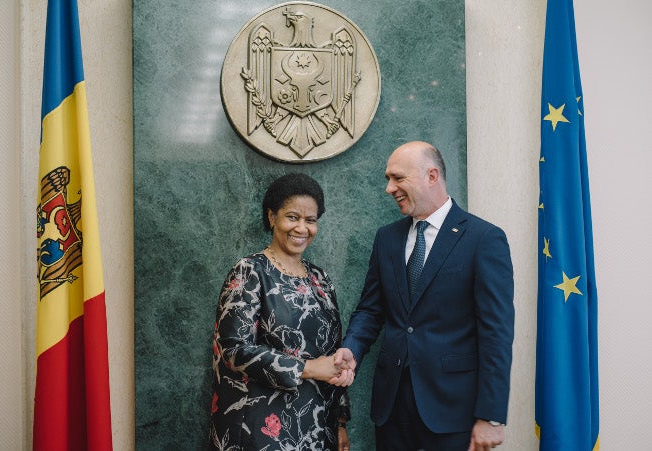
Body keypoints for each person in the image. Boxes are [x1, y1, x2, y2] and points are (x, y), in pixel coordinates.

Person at [332, 141, 515, 451]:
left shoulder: (484, 239)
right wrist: (352, 349)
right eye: (387, 178)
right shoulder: (386, 238)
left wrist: (491, 417)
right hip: (391, 411)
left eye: (398, 178)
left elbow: (496, 333)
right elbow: (370, 311)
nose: (389, 188)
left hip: (453, 412)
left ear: (432, 175)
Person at [209, 173, 354, 451]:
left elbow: (335, 352)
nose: (302, 228)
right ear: (272, 216)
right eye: (292, 217)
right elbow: (233, 350)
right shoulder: (250, 271)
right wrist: (309, 368)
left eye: (310, 220)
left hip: (316, 428)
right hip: (259, 428)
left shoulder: (320, 280)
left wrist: (340, 423)